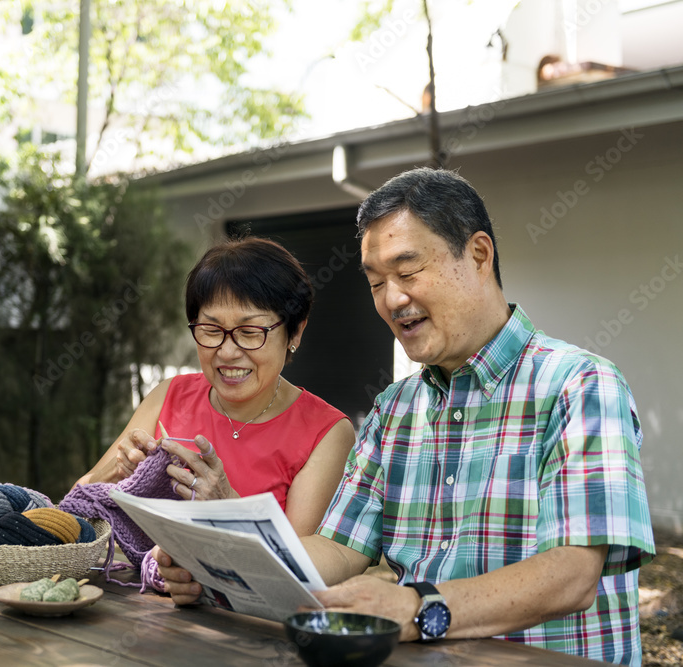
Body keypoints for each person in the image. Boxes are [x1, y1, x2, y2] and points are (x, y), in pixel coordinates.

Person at [157, 168, 655, 666]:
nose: (392, 300)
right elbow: (337, 548)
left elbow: (573, 575)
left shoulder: (580, 385)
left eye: (408, 271)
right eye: (377, 282)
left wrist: (419, 608)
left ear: (479, 255)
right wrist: (220, 563)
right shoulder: (394, 410)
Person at [76, 236, 355, 537]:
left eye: (249, 332)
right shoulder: (169, 395)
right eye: (211, 330)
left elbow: (300, 568)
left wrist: (227, 508)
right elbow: (73, 512)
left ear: (295, 333)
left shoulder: (326, 433)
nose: (227, 352)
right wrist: (118, 472)